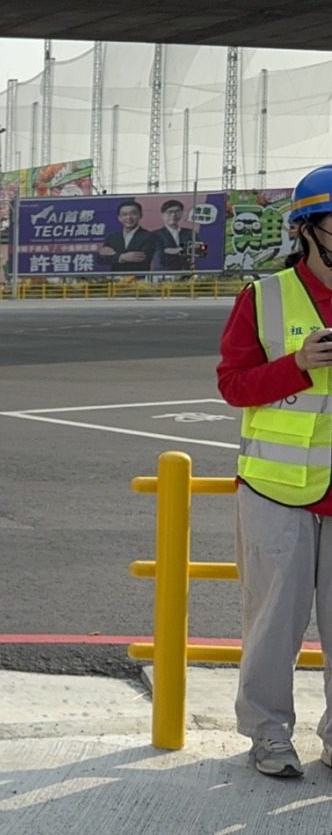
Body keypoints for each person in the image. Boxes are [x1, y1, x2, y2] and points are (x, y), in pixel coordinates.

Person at [219, 163, 332, 780]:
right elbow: (233, 385)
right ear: (308, 229)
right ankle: (267, 734)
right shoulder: (262, 298)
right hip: (276, 490)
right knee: (272, 624)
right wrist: (298, 362)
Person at [98, 199, 158, 272]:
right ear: (119, 218)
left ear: (140, 215)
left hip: (139, 280)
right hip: (115, 280)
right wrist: (122, 257)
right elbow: (101, 259)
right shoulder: (112, 237)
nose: (129, 217)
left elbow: (142, 259)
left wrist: (114, 255)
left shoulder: (149, 236)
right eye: (124, 214)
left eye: (133, 214)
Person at [154, 199, 199, 272]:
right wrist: (185, 249)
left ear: (182, 213)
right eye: (170, 212)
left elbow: (202, 249)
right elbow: (161, 251)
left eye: (177, 211)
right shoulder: (155, 235)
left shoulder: (190, 233)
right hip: (163, 273)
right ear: (163, 215)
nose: (173, 215)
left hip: (187, 272)